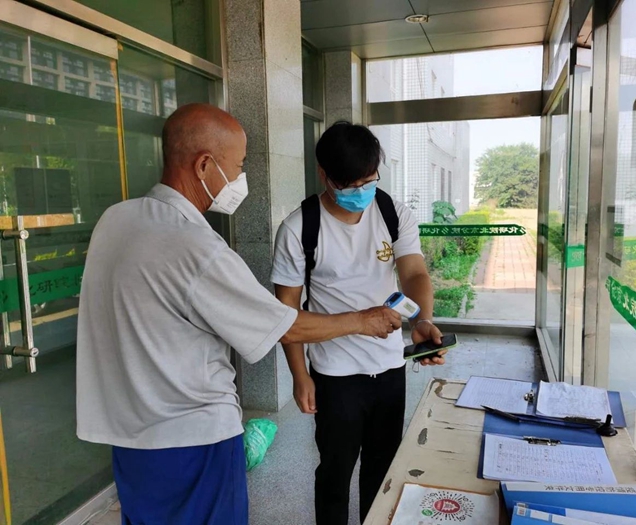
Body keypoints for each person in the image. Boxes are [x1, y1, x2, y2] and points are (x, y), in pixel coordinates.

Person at [75, 105, 402, 525]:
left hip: (128, 437)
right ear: (204, 165)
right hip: (193, 438)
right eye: (239, 165)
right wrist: (363, 321)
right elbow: (284, 325)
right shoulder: (197, 247)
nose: (240, 177)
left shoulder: (116, 219)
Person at [271, 121, 446, 525]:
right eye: (350, 185)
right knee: (335, 474)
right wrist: (300, 375)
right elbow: (286, 314)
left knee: (383, 473)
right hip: (335, 375)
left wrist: (422, 319)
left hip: (389, 367)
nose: (361, 192)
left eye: (368, 181)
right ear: (324, 174)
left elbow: (414, 273)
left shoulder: (392, 212)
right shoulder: (299, 228)